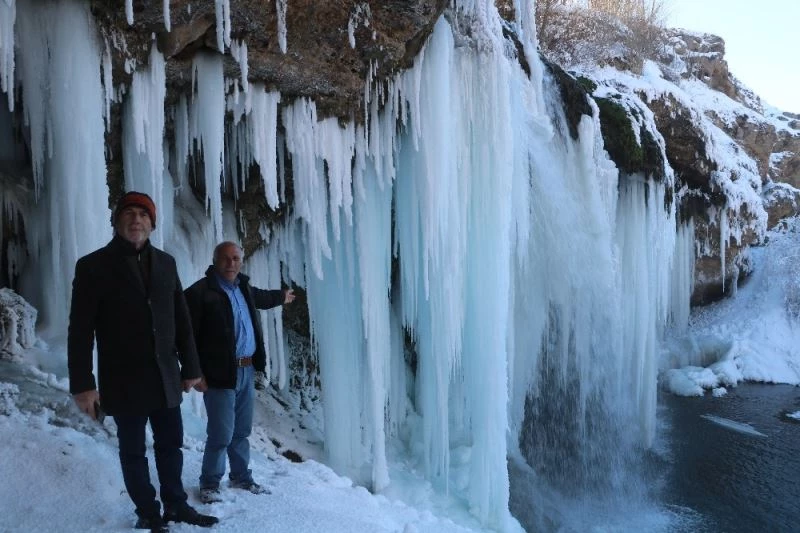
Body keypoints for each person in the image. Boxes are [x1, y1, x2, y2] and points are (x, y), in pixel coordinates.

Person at [68, 191, 218, 532]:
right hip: (122, 379)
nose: (136, 220)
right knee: (133, 451)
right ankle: (148, 512)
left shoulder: (166, 263)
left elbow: (181, 319)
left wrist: (192, 369)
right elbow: (80, 331)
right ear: (117, 221)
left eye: (143, 215)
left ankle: (176, 506)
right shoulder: (93, 266)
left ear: (151, 224)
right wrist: (83, 385)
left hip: (165, 376)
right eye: (129, 213)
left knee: (171, 446)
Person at [184, 241, 295, 504]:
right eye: (225, 258)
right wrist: (195, 372)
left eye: (235, 258)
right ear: (215, 261)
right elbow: (184, 336)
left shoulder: (243, 287)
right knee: (221, 433)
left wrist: (282, 296)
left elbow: (262, 297)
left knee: (241, 430)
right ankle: (210, 484)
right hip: (219, 373)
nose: (231, 263)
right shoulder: (200, 293)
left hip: (246, 370)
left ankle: (241, 477)